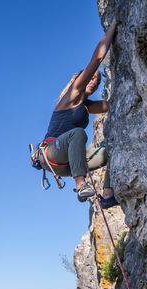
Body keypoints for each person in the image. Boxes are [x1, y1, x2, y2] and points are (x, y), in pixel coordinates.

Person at [42, 19, 119, 208]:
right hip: (51, 152)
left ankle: (107, 195)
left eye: (99, 82)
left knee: (114, 149)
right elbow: (97, 59)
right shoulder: (73, 94)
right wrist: (113, 26)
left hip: (69, 161)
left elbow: (111, 105)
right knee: (78, 133)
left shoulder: (86, 106)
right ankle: (81, 185)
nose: (95, 82)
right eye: (92, 77)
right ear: (80, 78)